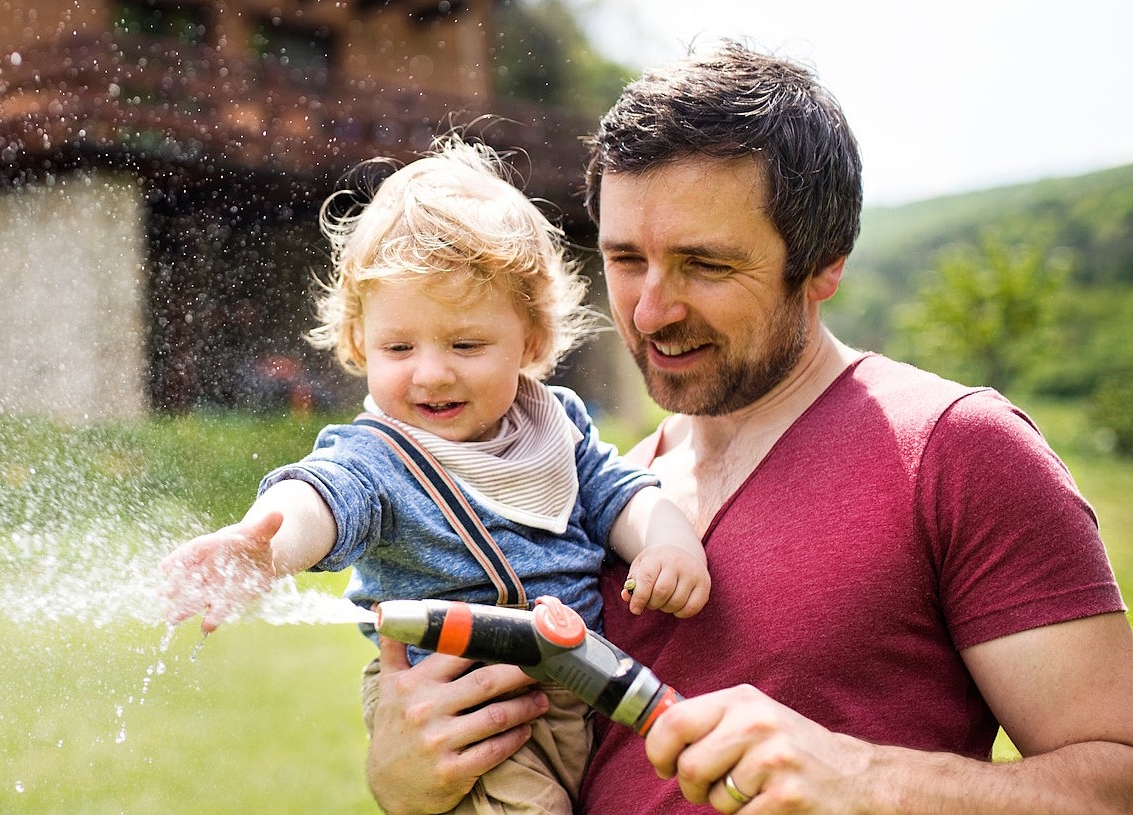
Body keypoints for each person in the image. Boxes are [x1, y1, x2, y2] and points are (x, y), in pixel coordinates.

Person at [363, 41, 1133, 815]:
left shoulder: (955, 450)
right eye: (626, 259)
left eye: (705, 264)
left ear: (824, 262)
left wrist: (867, 779)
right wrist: (407, 780)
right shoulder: (598, 493)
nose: (650, 310)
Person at [161, 135, 711, 815]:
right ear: (360, 343)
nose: (431, 372)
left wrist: (668, 542)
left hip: (578, 688)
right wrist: (267, 547)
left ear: (531, 340)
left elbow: (619, 495)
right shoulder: (377, 456)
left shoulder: (556, 423)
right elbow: (321, 498)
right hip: (463, 711)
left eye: (465, 343)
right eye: (399, 347)